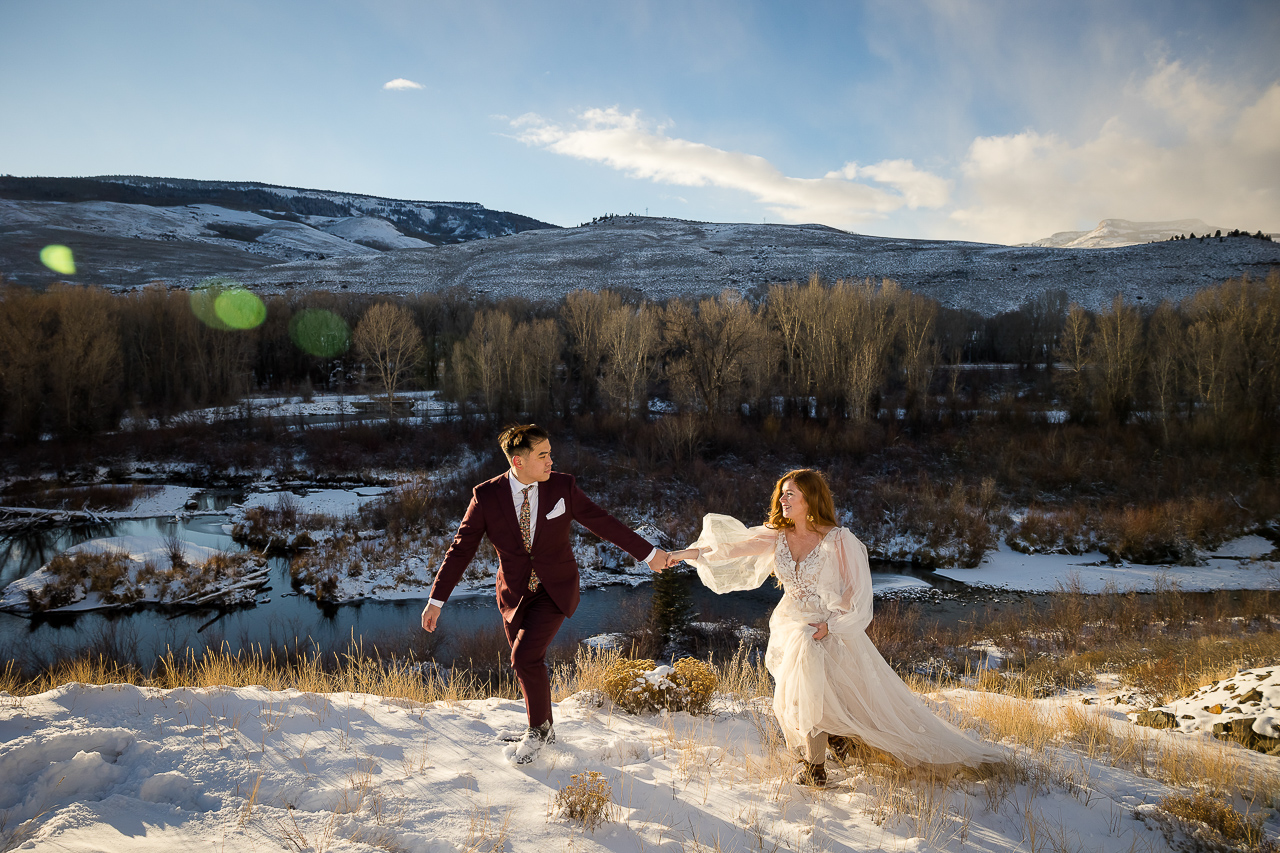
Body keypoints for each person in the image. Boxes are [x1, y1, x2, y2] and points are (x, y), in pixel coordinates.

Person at [667, 469, 1006, 786]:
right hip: (790, 623)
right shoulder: (778, 536)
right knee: (805, 693)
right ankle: (833, 744)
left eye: (791, 495)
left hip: (825, 627)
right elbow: (728, 549)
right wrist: (683, 554)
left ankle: (817, 766)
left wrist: (832, 627)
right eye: (782, 495)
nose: (783, 500)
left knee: (826, 694)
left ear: (811, 499)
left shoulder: (839, 539)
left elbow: (857, 595)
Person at [423, 424, 669, 765]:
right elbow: (460, 550)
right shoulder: (486, 496)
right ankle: (544, 727)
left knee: (524, 658)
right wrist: (436, 601)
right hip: (513, 596)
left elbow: (603, 521)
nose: (551, 460)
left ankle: (537, 733)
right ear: (518, 461)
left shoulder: (562, 487)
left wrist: (648, 554)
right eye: (543, 455)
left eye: (550, 452)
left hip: (555, 589)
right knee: (529, 665)